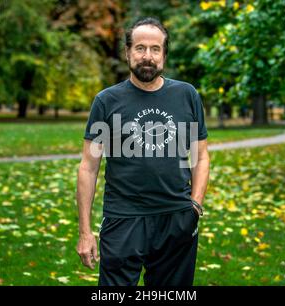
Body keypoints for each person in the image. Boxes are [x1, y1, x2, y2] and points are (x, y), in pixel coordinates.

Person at [76, 17, 210, 286]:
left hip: (176, 218)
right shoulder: (106, 101)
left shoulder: (187, 95)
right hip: (123, 218)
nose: (147, 56)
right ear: (127, 52)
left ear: (164, 54)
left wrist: (194, 206)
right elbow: (88, 168)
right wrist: (85, 232)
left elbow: (201, 157)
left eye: (155, 49)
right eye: (139, 48)